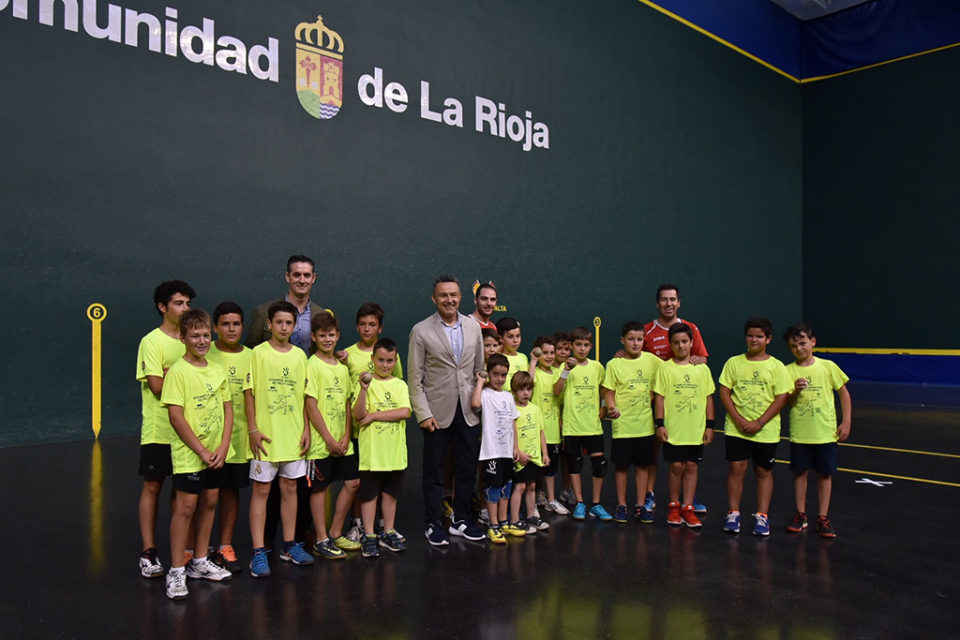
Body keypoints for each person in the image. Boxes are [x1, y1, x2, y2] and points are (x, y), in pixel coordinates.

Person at [408, 275, 486, 546]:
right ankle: (433, 523)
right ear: (434, 298)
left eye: (453, 294)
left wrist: (478, 403)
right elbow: (414, 378)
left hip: (467, 411)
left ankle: (461, 519)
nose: (449, 299)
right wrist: (423, 413)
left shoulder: (473, 327)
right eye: (443, 295)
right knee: (434, 472)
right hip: (436, 414)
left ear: (461, 296)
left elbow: (480, 371)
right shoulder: (420, 330)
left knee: (466, 468)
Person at [161, 309, 233, 599]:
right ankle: (177, 569)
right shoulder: (178, 372)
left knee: (210, 503)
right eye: (195, 336)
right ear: (183, 337)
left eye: (206, 335)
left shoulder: (217, 370)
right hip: (191, 454)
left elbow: (228, 408)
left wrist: (223, 446)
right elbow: (176, 417)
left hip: (217, 453)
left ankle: (200, 561)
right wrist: (202, 450)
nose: (202, 340)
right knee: (186, 508)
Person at [244, 301, 313, 576]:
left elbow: (306, 397)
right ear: (269, 324)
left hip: (293, 437)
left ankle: (288, 545)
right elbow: (248, 393)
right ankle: (259, 552)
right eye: (279, 322)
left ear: (295, 326)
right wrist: (253, 429)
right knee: (261, 492)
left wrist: (306, 429)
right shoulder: (257, 354)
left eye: (289, 323)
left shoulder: (300, 356)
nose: (284, 327)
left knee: (290, 490)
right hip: (266, 437)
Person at [137, 279, 194, 579]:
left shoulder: (192, 340)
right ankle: (148, 552)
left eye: (187, 303)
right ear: (163, 307)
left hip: (188, 433)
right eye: (178, 303)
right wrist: (181, 373)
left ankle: (180, 551)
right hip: (159, 430)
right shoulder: (151, 342)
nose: (185, 309)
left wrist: (175, 373)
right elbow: (158, 386)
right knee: (153, 487)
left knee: (181, 492)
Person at [718, 317, 792, 536]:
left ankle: (762, 516)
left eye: (759, 336)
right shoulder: (734, 362)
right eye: (750, 335)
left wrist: (759, 422)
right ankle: (733, 513)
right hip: (736, 429)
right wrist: (739, 419)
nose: (754, 339)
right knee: (736, 469)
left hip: (765, 430)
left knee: (763, 471)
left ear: (768, 339)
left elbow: (782, 397)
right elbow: (724, 391)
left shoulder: (776, 366)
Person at [642, 284, 709, 517]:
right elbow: (635, 355)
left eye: (672, 299)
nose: (668, 304)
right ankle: (649, 493)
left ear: (679, 302)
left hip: (684, 406)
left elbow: (702, 358)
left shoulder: (690, 328)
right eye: (664, 300)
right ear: (657, 303)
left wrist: (698, 361)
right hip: (655, 400)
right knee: (653, 450)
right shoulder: (648, 331)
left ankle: (688, 498)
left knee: (687, 460)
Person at [783, 322, 852, 538]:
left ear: (813, 342)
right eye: (794, 346)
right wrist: (794, 390)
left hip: (825, 432)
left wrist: (846, 421)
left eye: (803, 343)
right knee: (800, 473)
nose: (799, 349)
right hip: (800, 433)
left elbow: (844, 393)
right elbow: (786, 400)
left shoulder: (828, 366)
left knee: (824, 474)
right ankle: (800, 514)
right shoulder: (788, 371)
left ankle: (823, 517)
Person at [304, 312, 359, 560]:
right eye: (322, 336)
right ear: (314, 337)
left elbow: (347, 403)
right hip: (320, 443)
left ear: (338, 336)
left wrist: (346, 435)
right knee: (319, 489)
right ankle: (320, 539)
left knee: (353, 483)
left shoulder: (342, 367)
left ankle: (336, 532)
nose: (328, 339)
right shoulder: (312, 365)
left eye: (332, 335)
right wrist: (327, 438)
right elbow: (311, 405)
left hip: (343, 440)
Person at [352, 338, 412, 558]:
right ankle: (369, 535)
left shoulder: (400, 385)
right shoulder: (364, 384)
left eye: (389, 361)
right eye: (381, 360)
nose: (385, 365)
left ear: (395, 361)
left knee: (390, 495)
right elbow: (358, 415)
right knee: (369, 496)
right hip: (372, 455)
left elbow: (405, 412)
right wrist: (364, 390)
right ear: (372, 360)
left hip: (394, 454)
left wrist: (375, 415)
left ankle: (388, 532)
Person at [651, 323, 715, 529]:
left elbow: (709, 398)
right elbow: (659, 398)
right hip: (673, 428)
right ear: (671, 344)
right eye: (676, 342)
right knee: (676, 466)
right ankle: (673, 506)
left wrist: (710, 426)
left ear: (691, 343)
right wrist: (659, 424)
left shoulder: (702, 369)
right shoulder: (665, 368)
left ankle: (688, 508)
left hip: (695, 429)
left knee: (691, 466)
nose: (681, 346)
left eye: (685, 342)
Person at [205, 302, 252, 574]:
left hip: (239, 440)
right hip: (209, 440)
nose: (231, 329)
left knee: (231, 493)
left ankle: (225, 546)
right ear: (215, 328)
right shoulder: (205, 352)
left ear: (243, 327)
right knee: (206, 496)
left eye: (236, 324)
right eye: (225, 324)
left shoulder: (252, 356)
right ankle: (198, 550)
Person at [602, 322, 661, 524]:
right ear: (622, 340)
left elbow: (669, 372)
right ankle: (621, 505)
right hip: (623, 427)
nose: (635, 343)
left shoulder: (653, 361)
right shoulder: (614, 364)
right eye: (631, 339)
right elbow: (608, 391)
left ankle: (640, 505)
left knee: (643, 467)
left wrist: (694, 359)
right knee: (622, 467)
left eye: (639, 339)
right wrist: (611, 407)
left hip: (645, 426)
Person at [553, 326, 612, 521]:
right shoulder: (564, 366)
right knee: (575, 465)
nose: (582, 348)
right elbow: (556, 391)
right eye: (578, 344)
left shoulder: (597, 367)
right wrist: (566, 371)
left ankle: (596, 504)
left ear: (591, 346)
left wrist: (604, 408)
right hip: (572, 427)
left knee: (599, 466)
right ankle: (579, 502)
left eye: (586, 345)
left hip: (593, 426)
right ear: (571, 346)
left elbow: (604, 390)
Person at [472, 354, 523, 543]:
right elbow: (475, 404)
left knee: (506, 487)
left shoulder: (509, 396)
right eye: (495, 374)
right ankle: (493, 525)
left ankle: (503, 522)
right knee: (493, 488)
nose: (500, 379)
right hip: (491, 452)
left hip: (506, 452)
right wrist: (480, 382)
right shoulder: (485, 394)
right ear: (489, 373)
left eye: (503, 375)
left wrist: (515, 447)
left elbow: (513, 423)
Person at [245, 255, 325, 353]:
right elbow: (250, 351)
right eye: (297, 275)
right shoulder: (263, 312)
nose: (302, 280)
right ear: (288, 277)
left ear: (313, 278)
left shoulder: (322, 315)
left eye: (307, 275)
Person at [509, 371, 550, 533]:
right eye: (521, 389)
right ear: (514, 391)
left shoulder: (535, 409)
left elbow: (541, 432)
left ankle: (531, 515)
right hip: (521, 457)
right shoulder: (512, 409)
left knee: (532, 486)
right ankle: (515, 520)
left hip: (535, 458)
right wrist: (518, 451)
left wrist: (545, 454)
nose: (526, 393)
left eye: (529, 389)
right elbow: (511, 433)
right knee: (519, 487)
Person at [530, 336, 567, 515]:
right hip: (535, 430)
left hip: (553, 431)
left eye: (552, 353)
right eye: (545, 353)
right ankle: (535, 502)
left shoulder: (559, 372)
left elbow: (557, 391)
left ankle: (551, 500)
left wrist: (565, 370)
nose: (550, 356)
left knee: (551, 468)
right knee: (536, 469)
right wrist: (533, 361)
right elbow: (527, 384)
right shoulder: (535, 372)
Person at [496, 317, 528, 391]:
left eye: (518, 336)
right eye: (510, 337)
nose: (515, 340)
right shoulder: (495, 357)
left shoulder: (523, 357)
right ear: (500, 338)